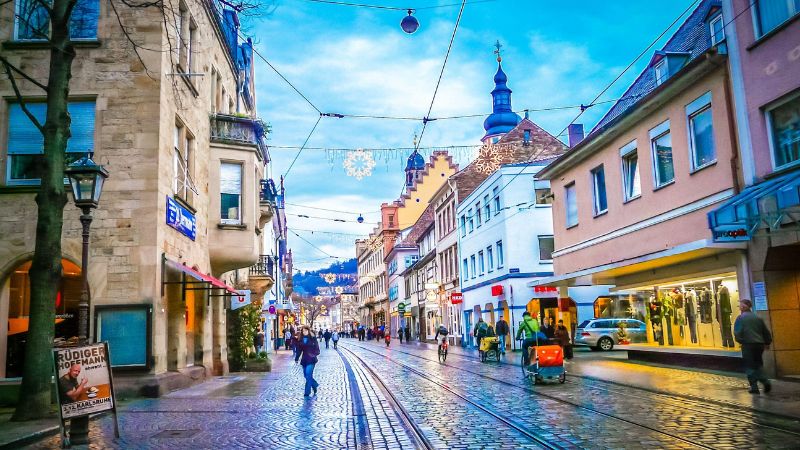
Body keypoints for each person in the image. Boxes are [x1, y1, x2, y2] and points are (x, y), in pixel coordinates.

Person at [734, 299, 773, 394]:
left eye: (740, 305)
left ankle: (756, 386)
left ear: (744, 307)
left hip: (748, 344)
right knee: (758, 363)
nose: (739, 307)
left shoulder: (740, 318)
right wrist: (767, 343)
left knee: (750, 365)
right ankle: (765, 381)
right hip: (759, 345)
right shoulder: (757, 317)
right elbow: (765, 332)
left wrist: (741, 341)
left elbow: (737, 332)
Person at [295, 326, 321, 397]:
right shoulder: (300, 339)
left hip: (312, 359)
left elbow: (317, 349)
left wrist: (313, 354)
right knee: (306, 375)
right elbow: (299, 350)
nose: (304, 332)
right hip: (304, 359)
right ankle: (314, 385)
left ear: (308, 331)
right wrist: (296, 358)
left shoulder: (313, 338)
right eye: (303, 331)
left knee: (308, 374)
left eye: (306, 331)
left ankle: (307, 392)